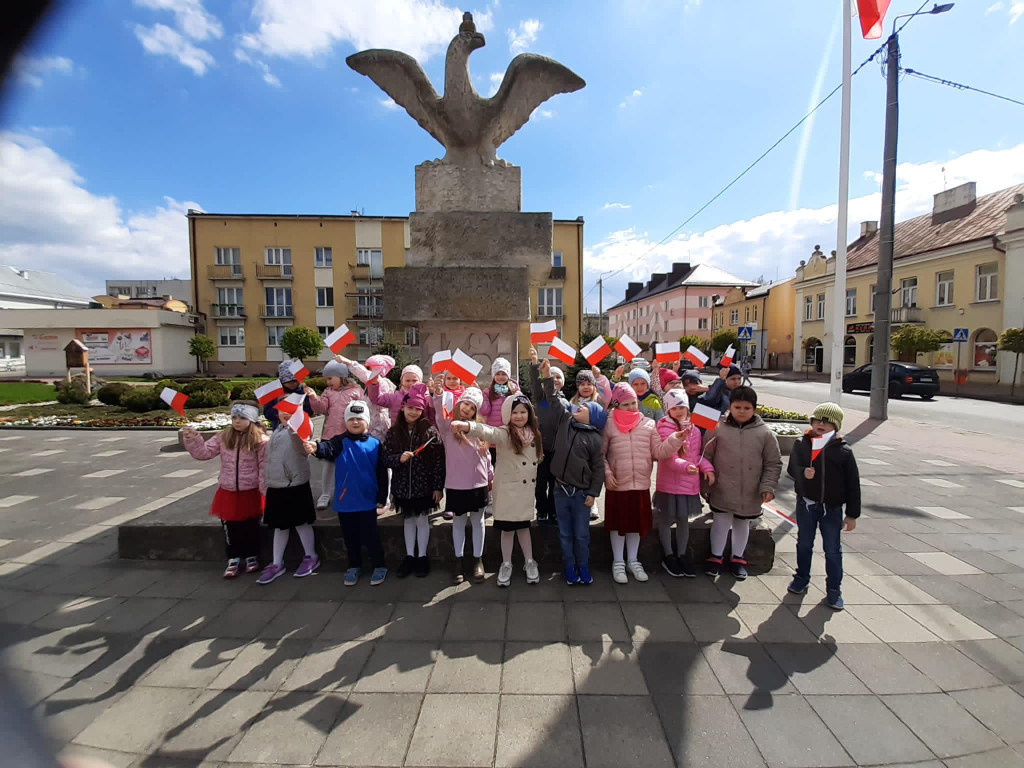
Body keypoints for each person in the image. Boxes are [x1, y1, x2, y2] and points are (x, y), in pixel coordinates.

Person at [452, 393, 543, 587]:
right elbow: (487, 431)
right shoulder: (505, 433)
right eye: (514, 412)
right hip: (508, 492)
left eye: (523, 412)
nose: (519, 416)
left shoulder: (534, 434)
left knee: (524, 528)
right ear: (507, 414)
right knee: (507, 530)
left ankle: (529, 561)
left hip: (525, 492)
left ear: (529, 413)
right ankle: (506, 563)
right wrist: (468, 426)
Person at [305, 401, 389, 586]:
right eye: (351, 419)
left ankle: (379, 565)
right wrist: (316, 448)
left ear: (367, 421)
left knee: (371, 536)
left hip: (367, 500)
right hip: (346, 501)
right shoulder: (339, 441)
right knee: (351, 538)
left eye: (359, 418)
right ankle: (354, 566)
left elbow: (382, 474)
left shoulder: (376, 444)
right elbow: (327, 449)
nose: (355, 422)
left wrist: (382, 497)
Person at [702, 386, 782, 580]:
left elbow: (773, 463)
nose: (742, 411)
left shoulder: (765, 433)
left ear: (754, 409)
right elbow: (705, 456)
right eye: (737, 407)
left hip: (750, 491)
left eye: (747, 408)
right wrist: (705, 485)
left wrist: (768, 486)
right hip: (722, 488)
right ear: (730, 406)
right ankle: (715, 557)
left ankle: (738, 559)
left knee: (742, 523)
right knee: (721, 522)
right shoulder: (717, 428)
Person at [786, 402, 861, 611]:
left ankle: (834, 589)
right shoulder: (802, 444)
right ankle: (801, 578)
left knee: (832, 550)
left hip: (832, 509)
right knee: (804, 543)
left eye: (827, 422)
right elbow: (792, 468)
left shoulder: (843, 451)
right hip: (807, 505)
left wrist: (852, 514)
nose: (821, 424)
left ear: (835, 426)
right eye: (817, 420)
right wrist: (803, 472)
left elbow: (853, 484)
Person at [538, 359, 606, 586]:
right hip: (560, 490)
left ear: (593, 416)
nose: (579, 408)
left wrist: (593, 493)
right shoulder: (566, 420)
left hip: (582, 495)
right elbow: (553, 400)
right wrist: (547, 376)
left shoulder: (594, 439)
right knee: (565, 534)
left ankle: (583, 566)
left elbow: (598, 469)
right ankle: (569, 567)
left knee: (581, 535)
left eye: (584, 408)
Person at [182, 401, 267, 579]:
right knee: (230, 526)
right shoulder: (223, 436)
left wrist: (264, 489)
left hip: (250, 490)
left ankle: (251, 555)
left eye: (242, 417)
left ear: (252, 419)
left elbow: (264, 467)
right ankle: (233, 557)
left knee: (250, 526)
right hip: (228, 490)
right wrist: (193, 439)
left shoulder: (260, 440)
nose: (237, 421)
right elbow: (204, 453)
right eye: (234, 417)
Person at [382, 383, 445, 578]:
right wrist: (398, 459)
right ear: (403, 407)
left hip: (424, 487)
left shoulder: (430, 431)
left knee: (422, 520)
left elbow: (439, 462)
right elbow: (385, 458)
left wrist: (438, 487)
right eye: (410, 408)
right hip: (402, 487)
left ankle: (422, 557)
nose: (414, 412)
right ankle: (409, 556)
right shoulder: (393, 432)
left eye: (418, 409)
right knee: (408, 520)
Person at [602, 382, 660, 584]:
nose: (630, 407)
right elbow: (601, 454)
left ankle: (633, 560)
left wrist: (676, 440)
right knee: (618, 524)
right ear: (616, 405)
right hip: (618, 483)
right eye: (625, 404)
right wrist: (607, 473)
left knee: (636, 525)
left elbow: (658, 451)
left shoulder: (648, 423)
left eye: (633, 403)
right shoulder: (608, 424)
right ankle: (618, 561)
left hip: (640, 483)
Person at [256, 402, 319, 584]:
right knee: (279, 525)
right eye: (282, 409)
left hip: (295, 484)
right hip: (276, 485)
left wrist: (294, 428)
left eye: (291, 409)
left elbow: (301, 446)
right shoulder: (278, 430)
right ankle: (277, 563)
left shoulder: (301, 428)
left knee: (301, 522)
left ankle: (311, 556)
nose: (286, 413)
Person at [653, 390, 715, 577]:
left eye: (682, 407)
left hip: (689, 485)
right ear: (668, 410)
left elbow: (697, 455)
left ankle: (682, 554)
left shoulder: (694, 429)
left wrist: (707, 468)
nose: (679, 411)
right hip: (670, 484)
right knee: (666, 519)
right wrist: (686, 467)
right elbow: (668, 458)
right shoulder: (664, 428)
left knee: (683, 521)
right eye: (675, 408)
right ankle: (668, 555)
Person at [433, 385, 490, 584]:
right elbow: (439, 415)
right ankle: (458, 560)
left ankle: (477, 560)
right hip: (456, 484)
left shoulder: (479, 429)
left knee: (478, 521)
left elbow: (486, 455)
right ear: (459, 404)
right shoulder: (448, 427)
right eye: (465, 404)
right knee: (458, 522)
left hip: (479, 483)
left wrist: (490, 475)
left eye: (473, 407)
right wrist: (438, 394)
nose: (468, 409)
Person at [306, 360, 366, 509]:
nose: (328, 382)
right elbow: (321, 408)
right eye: (326, 379)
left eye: (330, 378)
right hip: (330, 435)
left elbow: (363, 411)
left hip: (349, 435)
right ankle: (325, 494)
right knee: (328, 466)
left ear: (341, 376)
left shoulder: (356, 391)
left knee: (349, 466)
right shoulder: (328, 392)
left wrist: (362, 429)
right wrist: (313, 398)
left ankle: (349, 492)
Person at [529, 347, 568, 525]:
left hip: (557, 449)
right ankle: (541, 510)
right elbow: (535, 383)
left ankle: (553, 511)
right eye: (552, 376)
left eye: (558, 377)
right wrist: (534, 363)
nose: (554, 379)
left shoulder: (563, 402)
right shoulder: (540, 399)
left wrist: (547, 376)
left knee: (554, 483)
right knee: (540, 484)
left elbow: (553, 397)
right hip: (540, 450)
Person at [337, 353, 395, 442]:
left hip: (377, 424)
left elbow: (363, 373)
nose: (366, 370)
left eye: (368, 368)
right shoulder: (376, 382)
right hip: (373, 422)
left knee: (374, 445)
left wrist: (348, 362)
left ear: (378, 369)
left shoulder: (380, 382)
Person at [368, 363, 435, 424]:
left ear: (420, 381)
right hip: (398, 431)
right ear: (402, 381)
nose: (411, 383)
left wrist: (432, 393)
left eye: (414, 380)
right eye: (407, 380)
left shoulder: (425, 397)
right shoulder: (395, 397)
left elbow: (432, 415)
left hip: (419, 431)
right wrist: (374, 384)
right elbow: (377, 399)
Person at [263, 359, 316, 428]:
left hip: (300, 426)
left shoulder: (303, 391)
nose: (294, 384)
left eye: (296, 381)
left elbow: (310, 410)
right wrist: (280, 413)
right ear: (283, 382)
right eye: (290, 382)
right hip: (280, 428)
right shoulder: (274, 392)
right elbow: (267, 413)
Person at [479, 357, 520, 428]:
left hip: (509, 428)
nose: (500, 377)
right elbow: (484, 411)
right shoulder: (487, 392)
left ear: (508, 375)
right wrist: (481, 396)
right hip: (493, 429)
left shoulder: (514, 391)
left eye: (503, 374)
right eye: (497, 374)